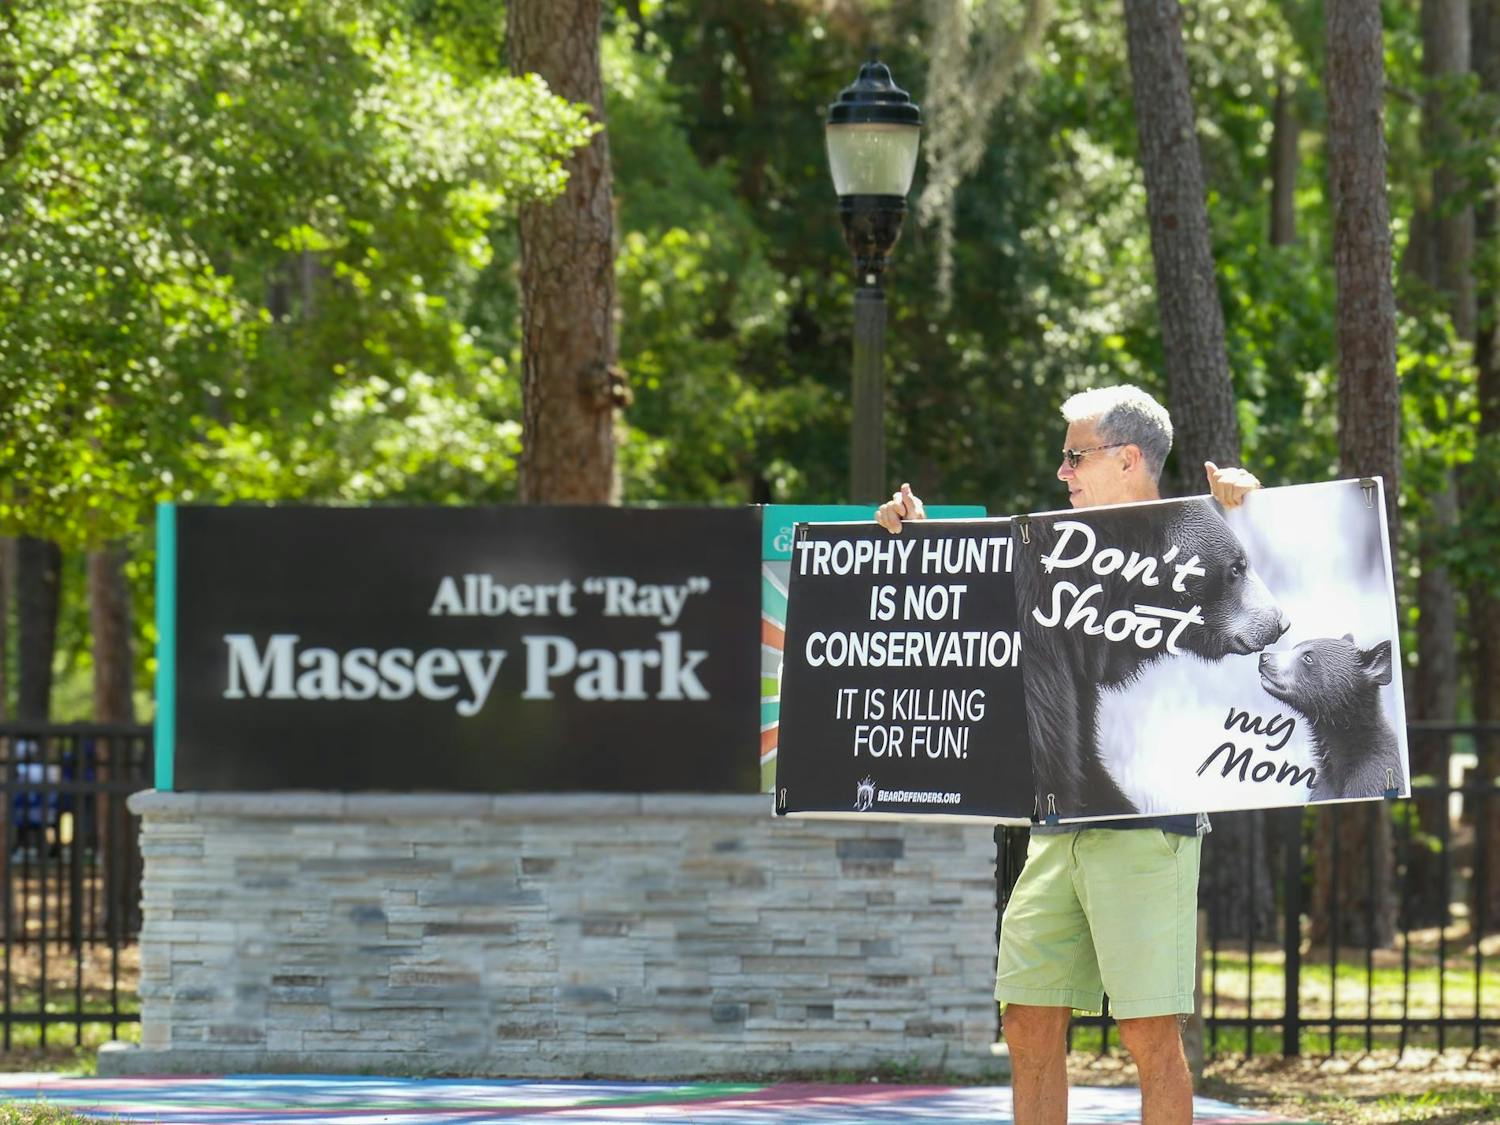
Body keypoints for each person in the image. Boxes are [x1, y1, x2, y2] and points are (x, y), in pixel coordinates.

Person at [873, 385, 1260, 1125]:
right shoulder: (1047, 548)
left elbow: (1288, 601)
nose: (1062, 471)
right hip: (1056, 820)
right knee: (1026, 1017)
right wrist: (909, 535)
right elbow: (964, 599)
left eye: (1074, 455)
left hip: (1149, 826)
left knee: (1148, 1034)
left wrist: (1255, 506)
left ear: (1128, 457)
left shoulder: (1199, 536)